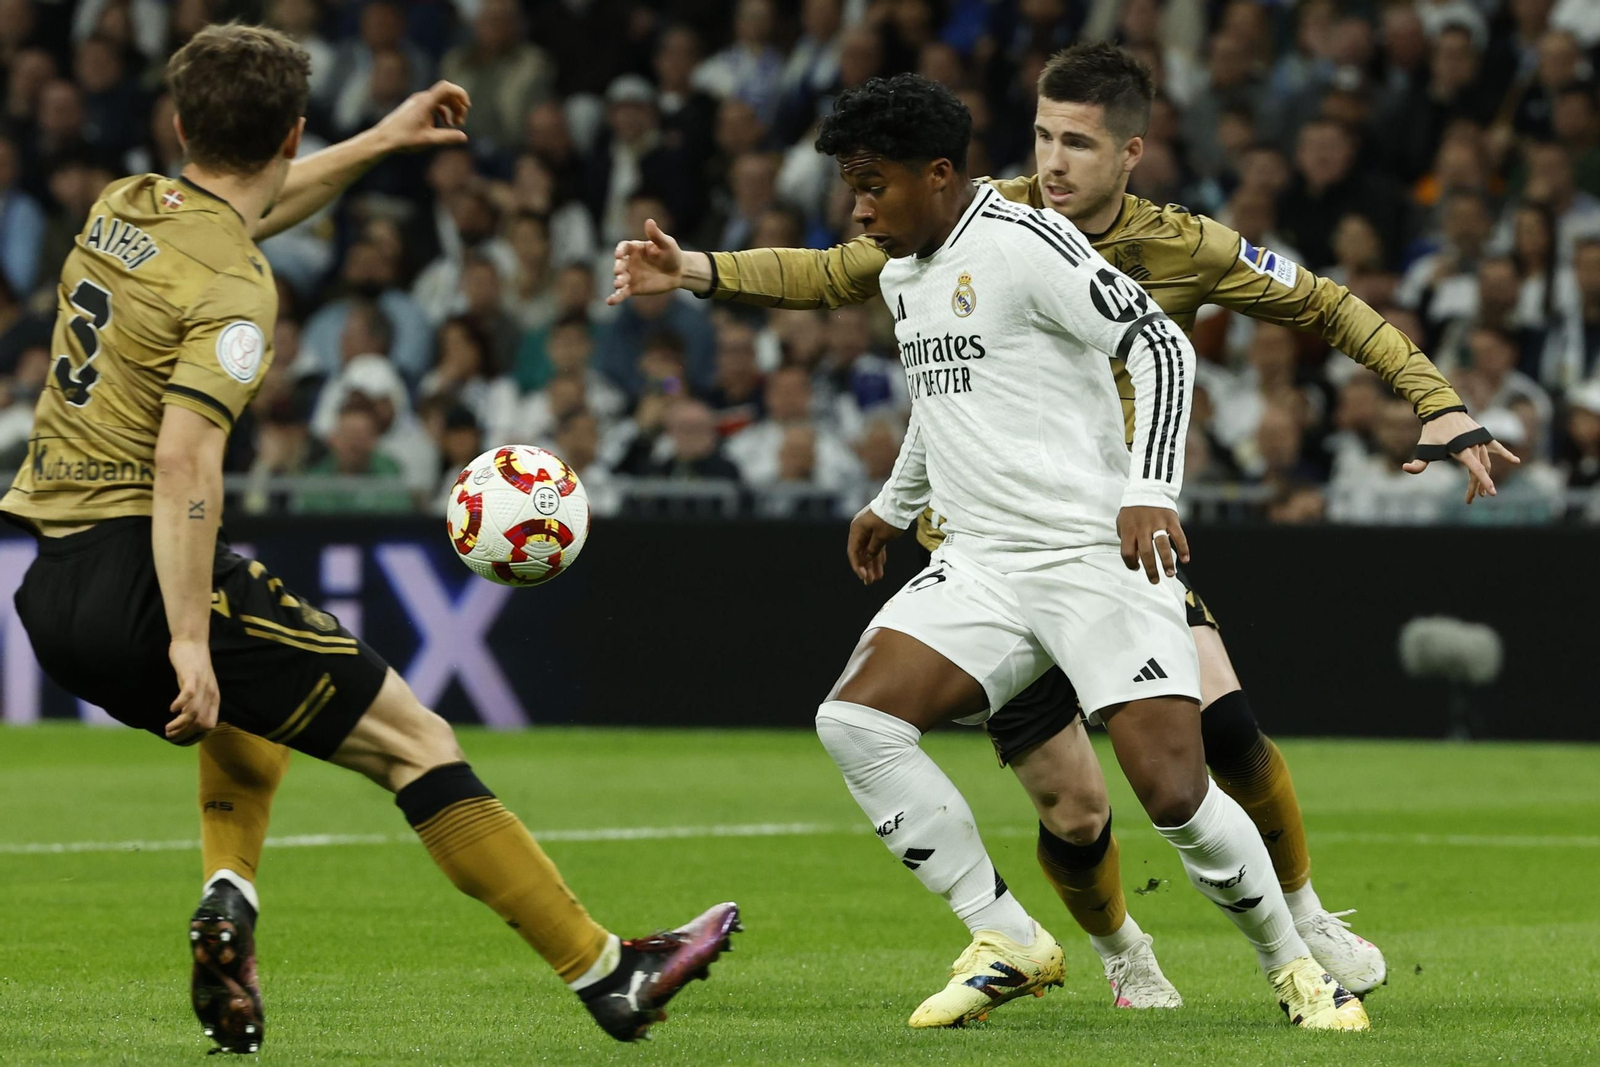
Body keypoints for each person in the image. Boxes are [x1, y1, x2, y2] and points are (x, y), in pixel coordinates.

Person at [611, 43, 1516, 1014]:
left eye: (1078, 142)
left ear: (1130, 151)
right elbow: (866, 303)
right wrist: (705, 272)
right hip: (983, 548)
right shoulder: (947, 222)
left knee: (1217, 740)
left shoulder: (1174, 246)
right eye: (1041, 133)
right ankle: (1114, 951)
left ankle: (1301, 925)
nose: (1053, 161)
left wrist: (1436, 401)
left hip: (1114, 533)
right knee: (1068, 808)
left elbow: (1327, 307)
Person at [0, 24, 737, 1055]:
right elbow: (184, 463)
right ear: (293, 127)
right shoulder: (237, 292)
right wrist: (183, 638)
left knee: (254, 719)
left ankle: (228, 893)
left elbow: (256, 200)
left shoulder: (121, 206)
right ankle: (607, 969)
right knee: (417, 744)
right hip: (141, 571)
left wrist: (383, 138)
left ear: (177, 125)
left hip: (51, 584)